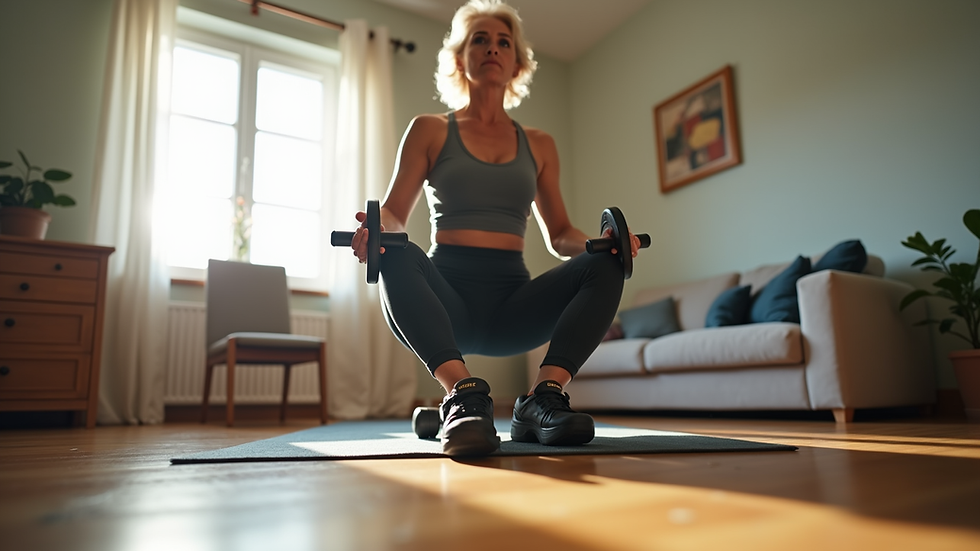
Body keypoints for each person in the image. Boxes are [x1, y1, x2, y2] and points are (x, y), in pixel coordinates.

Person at [346, 0, 641, 456]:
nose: (492, 48)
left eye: (503, 42)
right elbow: (396, 212)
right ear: (460, 57)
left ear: (517, 62)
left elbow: (560, 232)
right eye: (479, 40)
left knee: (605, 265)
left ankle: (543, 401)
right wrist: (377, 232)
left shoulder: (540, 144)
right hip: (447, 304)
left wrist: (600, 245)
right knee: (396, 250)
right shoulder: (429, 130)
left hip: (514, 310)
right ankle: (461, 396)